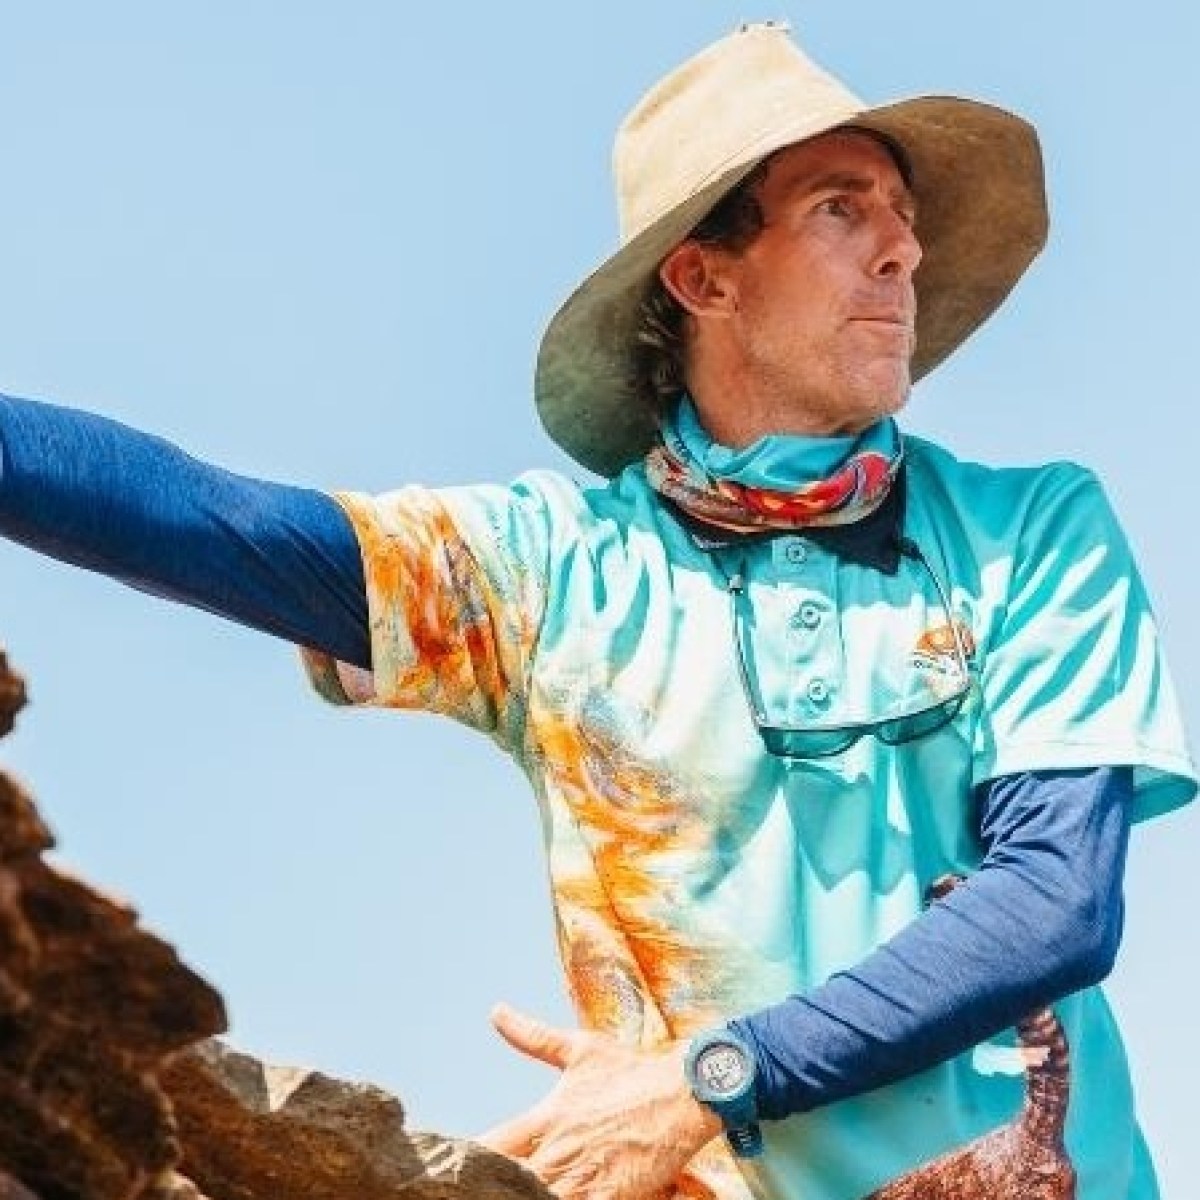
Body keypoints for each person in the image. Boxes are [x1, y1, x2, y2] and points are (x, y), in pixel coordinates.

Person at [0, 21, 1193, 1200]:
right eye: (842, 209)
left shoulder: (1028, 530)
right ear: (703, 276)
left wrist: (707, 1080)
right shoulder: (550, 573)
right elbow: (224, 526)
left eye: (904, 218)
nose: (903, 253)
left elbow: (1054, 903)